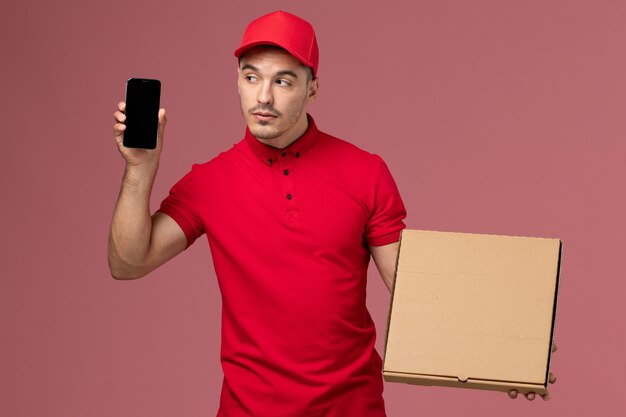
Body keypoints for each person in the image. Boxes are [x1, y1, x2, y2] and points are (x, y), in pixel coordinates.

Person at [109, 10, 554, 416]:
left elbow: (415, 291)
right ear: (237, 81)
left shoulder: (365, 172)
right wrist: (139, 170)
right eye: (251, 77)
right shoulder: (209, 181)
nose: (263, 95)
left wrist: (511, 354)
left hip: (352, 408)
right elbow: (128, 263)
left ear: (312, 88)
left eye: (283, 81)